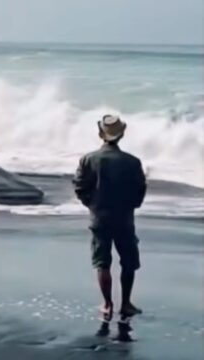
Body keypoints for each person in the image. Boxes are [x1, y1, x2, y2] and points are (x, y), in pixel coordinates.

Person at [73, 115, 146, 321]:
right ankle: (126, 304)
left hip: (99, 218)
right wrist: (131, 205)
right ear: (121, 134)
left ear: (101, 134)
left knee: (102, 262)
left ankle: (107, 304)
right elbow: (140, 189)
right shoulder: (132, 162)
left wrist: (92, 204)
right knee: (128, 262)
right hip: (124, 218)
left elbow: (79, 186)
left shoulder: (88, 159)